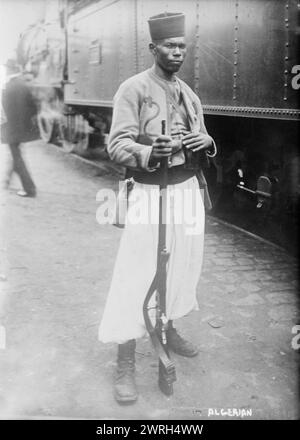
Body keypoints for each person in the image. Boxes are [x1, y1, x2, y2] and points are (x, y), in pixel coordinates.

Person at [98, 12, 217, 404]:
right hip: (151, 194)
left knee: (182, 267)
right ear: (153, 48)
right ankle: (126, 360)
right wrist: (151, 151)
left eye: (182, 45)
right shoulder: (133, 89)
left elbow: (202, 134)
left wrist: (206, 143)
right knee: (137, 273)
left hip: (186, 193)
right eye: (170, 45)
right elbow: (116, 145)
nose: (177, 51)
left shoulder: (188, 92)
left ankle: (167, 329)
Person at [1, 59, 38, 197]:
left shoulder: (8, 86)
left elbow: (4, 109)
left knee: (17, 157)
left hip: (11, 128)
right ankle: (6, 181)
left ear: (10, 70)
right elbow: (34, 106)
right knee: (15, 154)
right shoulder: (23, 84)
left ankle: (29, 189)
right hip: (20, 128)